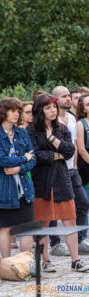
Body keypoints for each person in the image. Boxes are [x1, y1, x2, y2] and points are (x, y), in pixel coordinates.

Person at [27, 94, 89, 272]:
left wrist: (52, 139)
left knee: (70, 219)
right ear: (40, 111)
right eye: (48, 107)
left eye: (54, 106)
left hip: (62, 179)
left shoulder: (61, 129)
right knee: (43, 222)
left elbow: (69, 151)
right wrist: (55, 155)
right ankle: (45, 260)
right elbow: (35, 155)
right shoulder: (30, 131)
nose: (53, 110)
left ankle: (75, 260)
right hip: (42, 180)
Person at [0, 97, 36, 258]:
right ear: (3, 112)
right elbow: (2, 160)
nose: (16, 114)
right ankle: (7, 264)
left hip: (24, 187)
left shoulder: (22, 132)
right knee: (6, 227)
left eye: (18, 111)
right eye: (12, 110)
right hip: (4, 188)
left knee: (27, 227)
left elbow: (33, 159)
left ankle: (26, 263)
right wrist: (24, 158)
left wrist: (18, 167)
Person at [50, 86, 89, 255]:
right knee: (51, 207)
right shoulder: (51, 118)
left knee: (82, 203)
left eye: (68, 96)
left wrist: (74, 166)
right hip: (54, 169)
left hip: (72, 170)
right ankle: (55, 243)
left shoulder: (72, 119)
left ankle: (79, 239)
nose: (68, 99)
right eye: (64, 96)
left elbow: (73, 144)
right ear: (55, 98)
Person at [76, 94, 89, 247]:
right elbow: (81, 149)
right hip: (85, 167)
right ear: (83, 108)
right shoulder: (81, 124)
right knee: (84, 203)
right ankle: (82, 238)